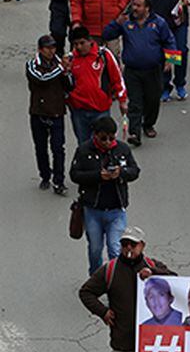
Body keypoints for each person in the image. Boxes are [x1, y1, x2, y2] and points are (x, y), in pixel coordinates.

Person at [101, 0, 176, 146]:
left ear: (147, 8)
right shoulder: (126, 22)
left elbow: (170, 40)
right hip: (132, 71)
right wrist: (117, 23)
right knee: (135, 102)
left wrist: (171, 60)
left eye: (138, 6)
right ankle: (134, 132)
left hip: (153, 70)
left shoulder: (159, 23)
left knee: (153, 100)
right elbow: (107, 35)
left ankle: (148, 124)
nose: (134, 8)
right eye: (134, 5)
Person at [70, 116, 140, 273]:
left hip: (116, 210)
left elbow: (135, 171)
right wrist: (97, 176)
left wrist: (121, 173)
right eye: (103, 138)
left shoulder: (122, 149)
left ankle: (116, 283)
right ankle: (96, 280)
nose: (108, 142)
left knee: (115, 250)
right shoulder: (84, 150)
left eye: (111, 138)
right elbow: (74, 175)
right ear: (95, 135)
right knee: (95, 250)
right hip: (93, 211)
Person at [26, 35, 73, 195]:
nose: (51, 51)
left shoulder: (59, 64)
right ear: (40, 50)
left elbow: (69, 86)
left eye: (53, 47)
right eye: (48, 48)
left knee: (58, 148)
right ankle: (45, 175)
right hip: (38, 112)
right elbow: (41, 78)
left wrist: (66, 72)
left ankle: (59, 181)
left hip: (57, 112)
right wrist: (60, 69)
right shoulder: (32, 65)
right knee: (41, 148)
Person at [66, 26, 127, 144]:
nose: (79, 47)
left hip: (101, 110)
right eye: (76, 44)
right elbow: (65, 83)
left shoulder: (104, 55)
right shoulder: (70, 59)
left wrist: (122, 100)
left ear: (90, 41)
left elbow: (117, 79)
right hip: (79, 111)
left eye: (82, 43)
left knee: (103, 143)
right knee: (83, 144)